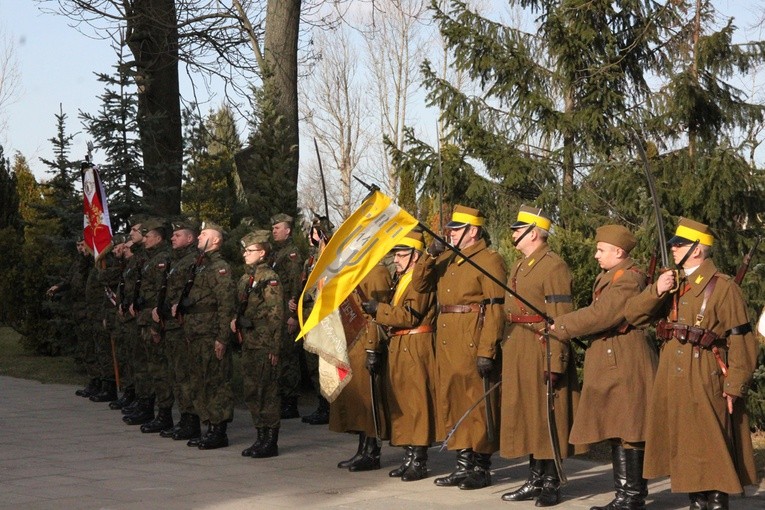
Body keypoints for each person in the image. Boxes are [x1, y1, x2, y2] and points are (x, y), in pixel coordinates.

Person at [624, 218, 758, 510]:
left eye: (679, 245)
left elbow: (742, 341)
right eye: (673, 244)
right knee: (684, 438)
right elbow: (634, 316)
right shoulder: (672, 282)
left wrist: (735, 385)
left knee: (710, 440)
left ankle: (716, 500)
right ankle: (697, 500)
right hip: (672, 372)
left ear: (697, 250)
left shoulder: (723, 288)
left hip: (706, 371)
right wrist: (656, 290)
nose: (673, 249)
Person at [551, 225, 658, 509]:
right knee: (618, 428)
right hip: (614, 359)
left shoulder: (629, 280)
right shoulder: (612, 276)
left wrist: (562, 325)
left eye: (601, 249)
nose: (596, 254)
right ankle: (625, 495)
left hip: (627, 360)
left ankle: (632, 497)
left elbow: (603, 314)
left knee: (630, 429)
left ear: (618, 252)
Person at [412, 205, 506, 490]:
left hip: (472, 336)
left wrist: (487, 349)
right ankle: (463, 464)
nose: (450, 233)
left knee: (477, 404)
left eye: (456, 229)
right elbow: (419, 285)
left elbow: (495, 309)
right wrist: (430, 254)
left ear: (472, 231)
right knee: (453, 401)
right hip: (448, 339)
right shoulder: (447, 258)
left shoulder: (489, 260)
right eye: (450, 229)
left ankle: (481, 467)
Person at [499, 205, 585, 506]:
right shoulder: (521, 264)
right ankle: (534, 478)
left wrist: (556, 360)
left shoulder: (553, 266)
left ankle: (551, 482)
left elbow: (560, 317)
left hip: (542, 347)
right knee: (528, 415)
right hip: (519, 347)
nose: (512, 233)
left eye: (518, 228)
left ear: (533, 233)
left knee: (547, 416)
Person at [362, 230, 437, 482]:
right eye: (395, 254)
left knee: (417, 404)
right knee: (402, 403)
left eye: (402, 254)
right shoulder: (402, 279)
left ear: (416, 256)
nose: (396, 259)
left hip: (416, 342)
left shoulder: (420, 280)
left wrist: (379, 310)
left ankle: (419, 459)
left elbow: (410, 315)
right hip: (400, 343)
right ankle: (408, 456)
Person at [173, 221, 236, 450]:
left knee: (216, 382)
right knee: (199, 381)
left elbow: (226, 305)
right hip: (196, 334)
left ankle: (218, 430)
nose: (199, 237)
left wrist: (222, 337)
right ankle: (208, 425)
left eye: (203, 234)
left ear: (216, 240)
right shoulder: (200, 265)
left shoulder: (220, 267)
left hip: (210, 334)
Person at [330, 261, 392, 472]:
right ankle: (362, 449)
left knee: (369, 399)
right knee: (359, 401)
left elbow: (378, 316)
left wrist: (373, 348)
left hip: (366, 341)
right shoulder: (356, 271)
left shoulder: (377, 271)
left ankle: (372, 452)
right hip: (353, 342)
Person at [233, 230, 284, 458]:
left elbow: (276, 314)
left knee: (267, 391)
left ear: (262, 253)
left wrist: (274, 347)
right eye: (245, 250)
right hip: (249, 342)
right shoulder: (246, 279)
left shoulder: (269, 278)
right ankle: (260, 436)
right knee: (252, 390)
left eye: (250, 251)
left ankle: (270, 441)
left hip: (264, 342)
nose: (245, 254)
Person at [155, 218, 201, 440]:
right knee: (176, 373)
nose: (172, 238)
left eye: (177, 235)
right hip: (171, 325)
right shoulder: (178, 261)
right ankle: (184, 418)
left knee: (185, 375)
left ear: (190, 238)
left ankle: (191, 420)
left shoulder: (192, 261)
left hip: (182, 326)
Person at [130, 218, 174, 433]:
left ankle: (164, 413)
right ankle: (147, 407)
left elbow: (160, 293)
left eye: (147, 236)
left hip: (153, 319)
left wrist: (156, 324)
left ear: (157, 237)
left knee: (159, 369)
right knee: (148, 366)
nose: (144, 239)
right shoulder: (149, 258)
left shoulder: (162, 259)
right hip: (144, 317)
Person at [299, 215, 335, 425]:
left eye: (317, 232)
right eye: (313, 232)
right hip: (310, 316)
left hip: (326, 317)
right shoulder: (310, 260)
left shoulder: (332, 257)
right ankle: (321, 404)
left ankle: (330, 406)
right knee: (313, 363)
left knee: (326, 362)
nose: (313, 236)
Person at [269, 213, 304, 420]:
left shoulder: (291, 254)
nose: (274, 231)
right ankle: (283, 397)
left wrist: (293, 314)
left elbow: (295, 284)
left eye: (278, 228)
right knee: (281, 355)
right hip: (278, 311)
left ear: (288, 230)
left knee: (289, 357)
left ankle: (291, 402)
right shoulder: (277, 253)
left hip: (287, 312)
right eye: (273, 228)